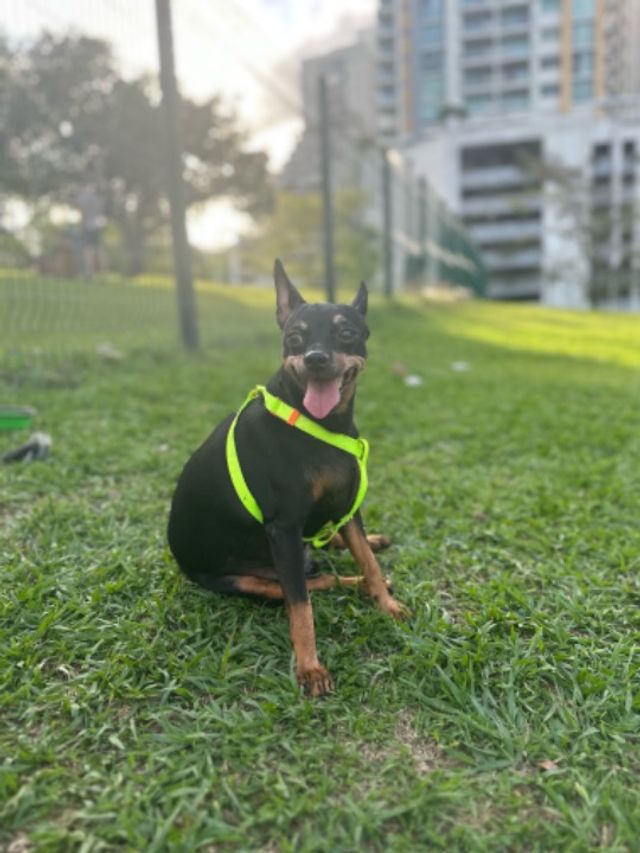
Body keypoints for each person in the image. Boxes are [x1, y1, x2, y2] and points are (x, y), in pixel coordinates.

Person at [76, 182, 105, 279]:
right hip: (98, 226)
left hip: (88, 227)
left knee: (88, 251)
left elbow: (83, 212)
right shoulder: (97, 196)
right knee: (99, 250)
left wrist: (81, 226)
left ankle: (89, 274)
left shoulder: (85, 196)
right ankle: (104, 274)